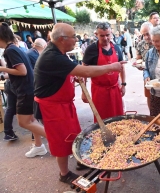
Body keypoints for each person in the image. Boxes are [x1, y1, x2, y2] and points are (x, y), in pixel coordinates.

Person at [34, 23, 125, 185]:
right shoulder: (52, 56)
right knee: (60, 140)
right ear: (62, 39)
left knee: (73, 135)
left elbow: (69, 72)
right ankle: (64, 173)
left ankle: (78, 160)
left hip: (63, 104)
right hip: (52, 107)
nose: (76, 39)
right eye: (74, 36)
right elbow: (87, 71)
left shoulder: (60, 53)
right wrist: (112, 67)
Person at [0, 22, 47, 157]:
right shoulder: (14, 48)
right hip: (28, 88)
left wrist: (2, 69)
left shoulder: (10, 50)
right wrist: (4, 75)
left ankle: (58, 142)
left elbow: (22, 71)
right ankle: (39, 146)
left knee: (24, 121)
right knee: (32, 120)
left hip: (25, 90)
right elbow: (19, 71)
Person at [82, 22, 126, 121]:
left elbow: (122, 67)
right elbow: (83, 71)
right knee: (101, 119)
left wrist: (123, 84)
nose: (105, 38)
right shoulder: (91, 50)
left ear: (111, 34)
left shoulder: (117, 48)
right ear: (96, 35)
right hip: (99, 91)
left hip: (115, 89)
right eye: (102, 36)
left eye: (107, 35)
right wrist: (84, 92)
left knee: (118, 117)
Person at [136, 22, 154, 111]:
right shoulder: (140, 44)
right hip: (147, 75)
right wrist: (138, 66)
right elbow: (138, 59)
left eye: (148, 34)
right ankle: (152, 115)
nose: (146, 37)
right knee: (149, 96)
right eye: (144, 35)